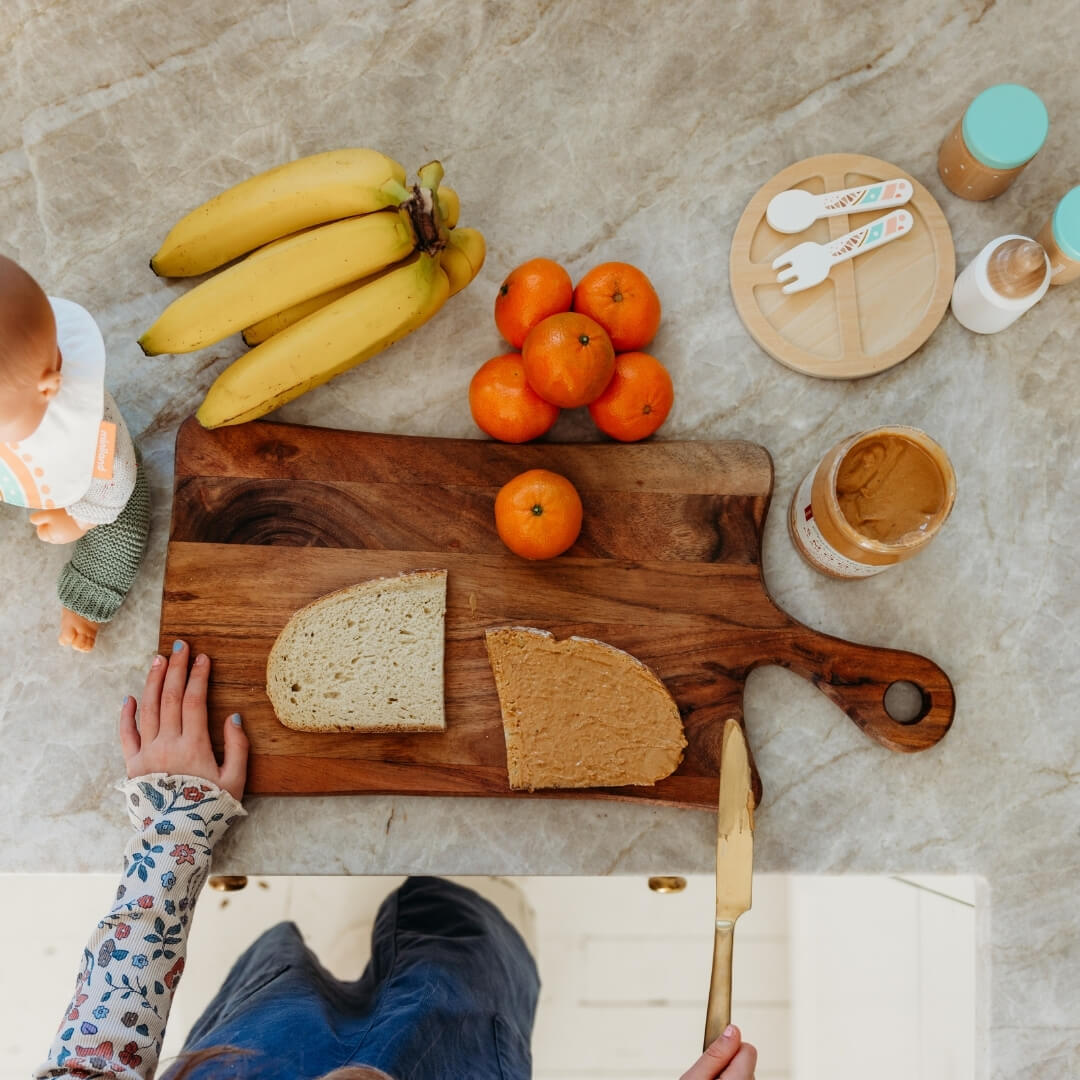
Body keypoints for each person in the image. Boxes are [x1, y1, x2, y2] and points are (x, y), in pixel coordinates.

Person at [36, 642, 758, 1080]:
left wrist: (174, 832)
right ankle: (461, 915)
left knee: (283, 990)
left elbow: (96, 1054)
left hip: (245, 1061)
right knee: (457, 974)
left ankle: (349, 944)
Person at [0, 255, 150, 652]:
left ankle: (87, 598)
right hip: (14, 467)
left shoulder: (95, 435)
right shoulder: (12, 400)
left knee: (124, 524)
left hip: (93, 490)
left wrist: (78, 519)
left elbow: (113, 484)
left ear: (46, 389)